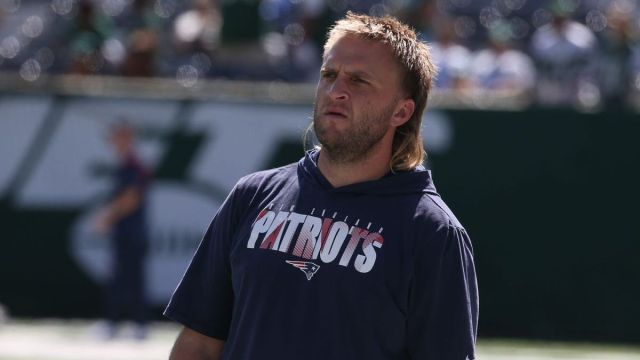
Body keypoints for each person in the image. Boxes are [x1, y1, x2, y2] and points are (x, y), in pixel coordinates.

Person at [165, 12, 478, 360]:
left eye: (358, 81)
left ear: (401, 112)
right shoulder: (252, 196)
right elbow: (198, 343)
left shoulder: (433, 233)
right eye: (329, 75)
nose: (336, 91)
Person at [95, 122, 151, 339]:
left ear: (127, 138)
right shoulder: (125, 165)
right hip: (125, 232)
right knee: (121, 278)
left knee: (130, 278)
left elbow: (131, 198)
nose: (112, 143)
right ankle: (121, 323)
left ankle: (133, 325)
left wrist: (107, 218)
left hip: (132, 233)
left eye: (117, 137)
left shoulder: (134, 165)